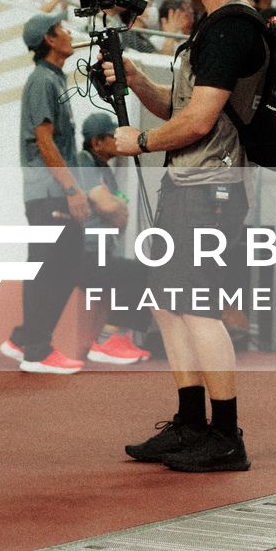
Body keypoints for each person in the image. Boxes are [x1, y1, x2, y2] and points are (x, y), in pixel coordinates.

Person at [108, 0, 269, 473]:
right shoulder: (212, 29)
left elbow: (197, 123)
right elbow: (184, 111)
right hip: (190, 185)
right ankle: (190, 423)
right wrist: (135, 81)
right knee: (168, 304)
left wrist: (141, 141)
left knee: (197, 307)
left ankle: (226, 436)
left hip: (211, 191)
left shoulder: (231, 29)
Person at [3, 11, 91, 375]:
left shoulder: (53, 79)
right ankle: (37, 349)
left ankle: (24, 338)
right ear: (50, 41)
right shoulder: (42, 80)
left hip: (52, 191)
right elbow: (44, 140)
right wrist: (71, 189)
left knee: (63, 264)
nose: (69, 33)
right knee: (51, 267)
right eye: (61, 29)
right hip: (49, 191)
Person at [78, 113, 154, 366]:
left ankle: (120, 338)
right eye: (113, 137)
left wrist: (116, 209)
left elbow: (120, 213)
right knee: (137, 272)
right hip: (82, 254)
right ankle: (108, 338)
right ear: (96, 142)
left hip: (100, 251)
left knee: (141, 270)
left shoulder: (103, 170)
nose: (118, 142)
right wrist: (115, 209)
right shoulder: (82, 162)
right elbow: (109, 206)